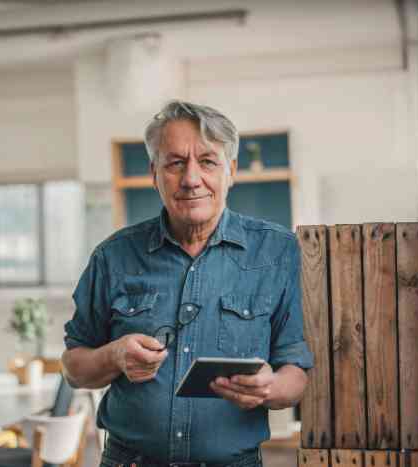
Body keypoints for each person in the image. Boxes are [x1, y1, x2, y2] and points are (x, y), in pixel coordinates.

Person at [62, 101, 313, 467]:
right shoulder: (112, 257)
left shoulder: (278, 253)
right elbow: (73, 367)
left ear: (231, 171)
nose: (191, 179)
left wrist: (269, 388)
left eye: (208, 162)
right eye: (175, 163)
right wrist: (113, 355)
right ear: (154, 173)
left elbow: (297, 371)